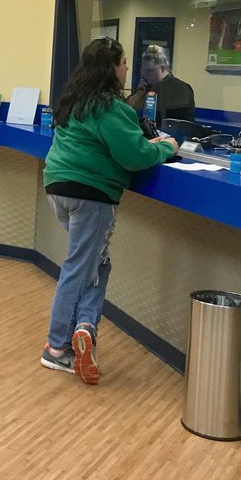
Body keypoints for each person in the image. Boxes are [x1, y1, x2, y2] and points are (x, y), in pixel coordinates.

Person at [41, 38, 178, 384]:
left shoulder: (75, 100)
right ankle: (57, 348)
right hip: (92, 195)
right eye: (124, 62)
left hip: (58, 187)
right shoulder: (112, 108)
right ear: (111, 68)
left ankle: (85, 327)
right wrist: (166, 148)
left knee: (95, 263)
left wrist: (142, 143)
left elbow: (111, 143)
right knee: (79, 267)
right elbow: (134, 156)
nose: (128, 68)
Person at [127, 44, 196, 123]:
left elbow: (188, 123)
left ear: (163, 68)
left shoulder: (181, 89)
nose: (144, 75)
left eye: (150, 71)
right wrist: (138, 95)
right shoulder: (143, 90)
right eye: (143, 71)